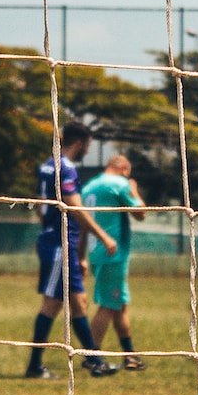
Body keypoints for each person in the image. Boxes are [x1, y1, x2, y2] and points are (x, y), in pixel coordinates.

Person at [26, 121, 120, 380]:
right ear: (78, 143)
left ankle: (94, 361)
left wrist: (79, 255)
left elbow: (39, 205)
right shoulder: (65, 169)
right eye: (87, 146)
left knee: (79, 303)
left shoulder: (47, 165)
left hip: (59, 242)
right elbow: (74, 208)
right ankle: (34, 366)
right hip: (59, 244)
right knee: (51, 304)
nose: (87, 152)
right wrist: (103, 236)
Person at [82, 153, 146, 370]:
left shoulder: (90, 186)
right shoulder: (119, 183)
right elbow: (140, 213)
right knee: (108, 305)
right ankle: (91, 356)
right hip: (113, 252)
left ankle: (130, 356)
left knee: (120, 304)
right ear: (123, 169)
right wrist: (134, 189)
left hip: (95, 251)